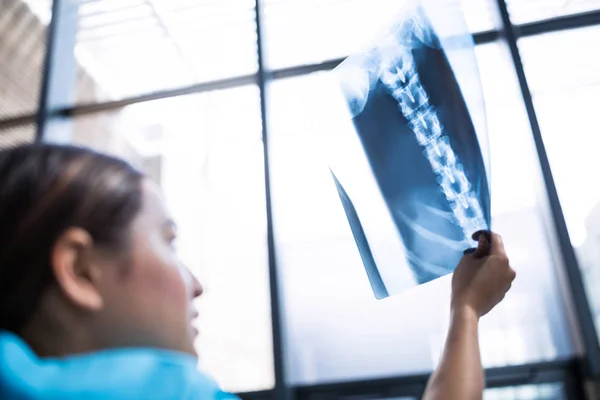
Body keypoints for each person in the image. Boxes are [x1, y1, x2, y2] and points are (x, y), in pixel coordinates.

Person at [0, 144, 515, 400]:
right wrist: (466, 312)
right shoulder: (168, 392)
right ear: (80, 270)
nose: (195, 283)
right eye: (168, 242)